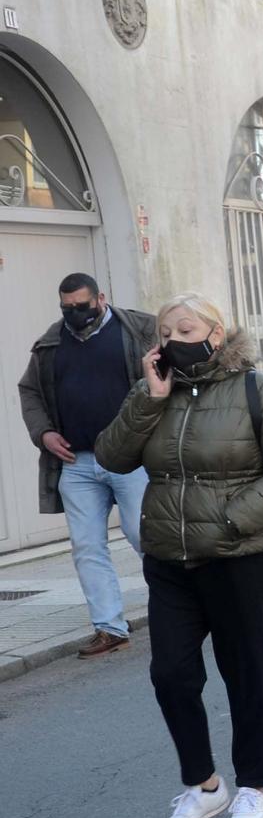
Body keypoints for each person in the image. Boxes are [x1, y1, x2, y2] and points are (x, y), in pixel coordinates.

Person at [93, 292, 263, 818]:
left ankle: (253, 787)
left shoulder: (258, 389)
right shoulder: (152, 395)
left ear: (217, 334)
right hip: (170, 557)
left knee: (245, 673)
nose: (173, 340)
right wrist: (150, 396)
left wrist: (233, 520)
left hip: (240, 556)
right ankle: (203, 786)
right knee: (170, 672)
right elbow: (111, 457)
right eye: (165, 332)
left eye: (185, 329)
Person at [16, 274, 157, 658]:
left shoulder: (140, 331)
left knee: (145, 535)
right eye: (67, 308)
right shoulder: (50, 342)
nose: (75, 314)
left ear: (101, 298)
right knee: (86, 546)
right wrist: (43, 432)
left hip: (130, 457)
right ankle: (110, 627)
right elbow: (29, 390)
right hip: (76, 462)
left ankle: (182, 609)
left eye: (82, 306)